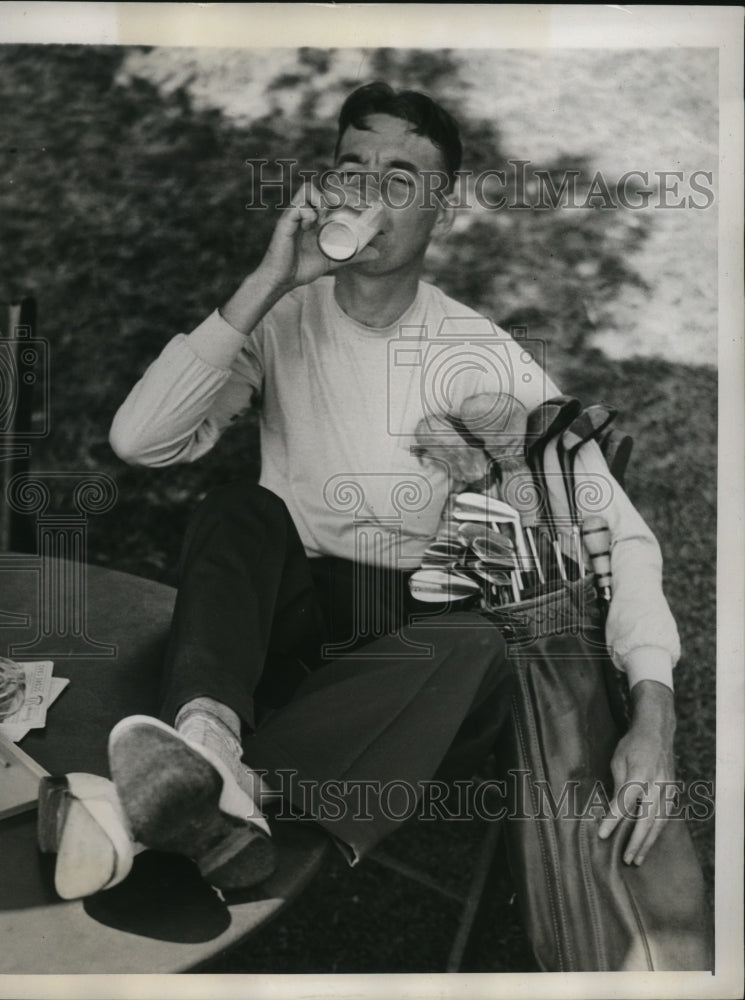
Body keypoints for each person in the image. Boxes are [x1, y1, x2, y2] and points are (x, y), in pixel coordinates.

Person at [44, 83, 682, 915]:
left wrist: (653, 715)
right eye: (356, 168)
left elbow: (618, 534)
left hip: (412, 650)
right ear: (328, 184)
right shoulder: (280, 317)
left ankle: (207, 798)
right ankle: (208, 746)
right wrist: (268, 281)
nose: (371, 194)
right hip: (292, 619)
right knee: (239, 512)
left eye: (402, 178)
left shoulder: (478, 353)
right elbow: (141, 440)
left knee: (479, 644)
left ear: (441, 213)